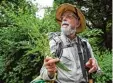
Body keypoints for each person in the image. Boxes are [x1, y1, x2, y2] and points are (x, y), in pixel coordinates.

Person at [40, 3, 101, 83]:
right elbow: (43, 73)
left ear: (78, 23)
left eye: (69, 16)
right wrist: (50, 73)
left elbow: (98, 73)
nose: (64, 19)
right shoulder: (54, 43)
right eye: (63, 17)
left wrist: (95, 69)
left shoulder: (85, 44)